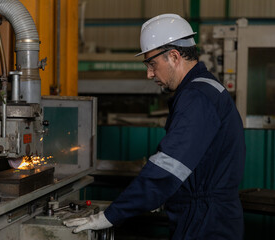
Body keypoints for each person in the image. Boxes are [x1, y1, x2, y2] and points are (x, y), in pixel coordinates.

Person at [64, 13, 246, 240]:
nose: (149, 73)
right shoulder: (205, 89)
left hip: (205, 223)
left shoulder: (197, 97)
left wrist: (110, 216)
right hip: (209, 217)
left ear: (174, 56)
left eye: (152, 63)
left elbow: (168, 169)